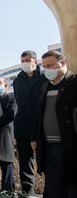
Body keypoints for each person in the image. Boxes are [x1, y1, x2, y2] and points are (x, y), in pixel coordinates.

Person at [31, 51, 77, 198]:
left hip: (70, 146)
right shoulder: (45, 87)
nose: (47, 69)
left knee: (71, 188)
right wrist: (35, 137)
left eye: (50, 65)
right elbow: (39, 115)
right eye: (44, 66)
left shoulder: (74, 83)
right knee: (54, 188)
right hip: (48, 147)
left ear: (62, 63)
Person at [13, 50, 47, 195]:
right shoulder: (17, 80)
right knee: (25, 164)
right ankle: (28, 193)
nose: (25, 63)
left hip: (42, 126)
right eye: (22, 61)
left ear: (35, 61)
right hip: (23, 127)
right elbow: (19, 103)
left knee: (47, 162)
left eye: (27, 60)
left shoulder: (45, 78)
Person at [0, 77, 17, 191]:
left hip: (5, 137)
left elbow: (10, 115)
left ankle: (8, 191)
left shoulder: (11, 99)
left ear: (5, 85)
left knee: (7, 169)